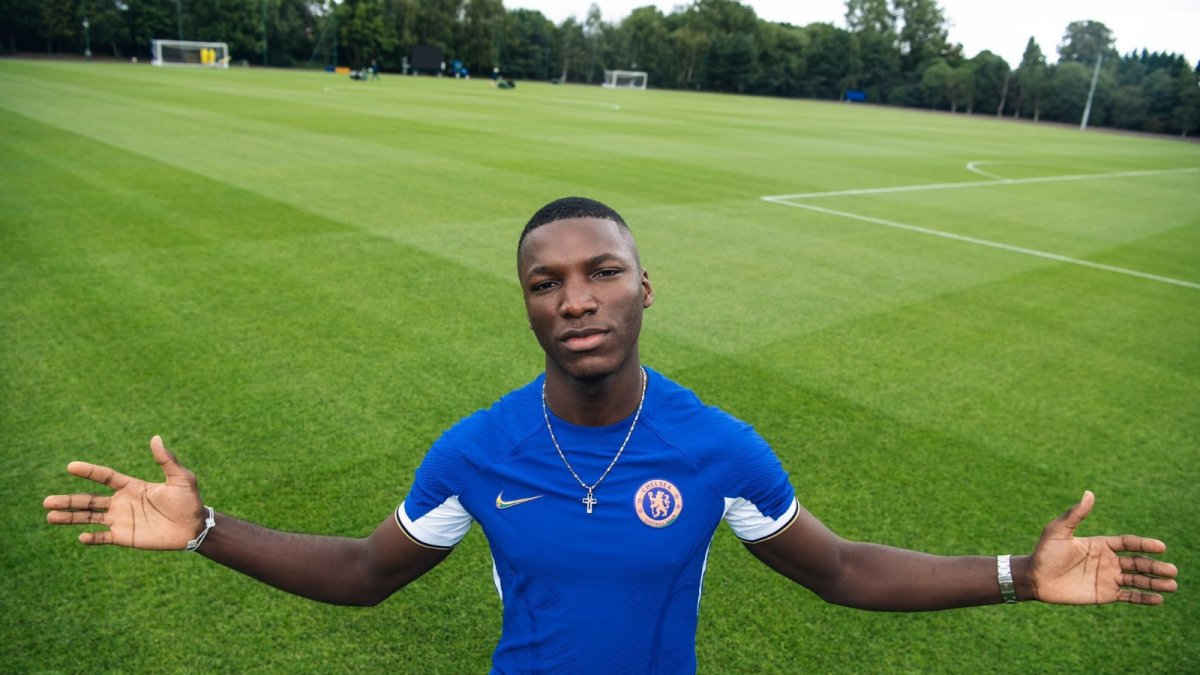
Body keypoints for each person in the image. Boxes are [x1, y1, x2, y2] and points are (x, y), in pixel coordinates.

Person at [44, 197, 1178, 673]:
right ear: (527, 305)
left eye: (602, 273)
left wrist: (1019, 576)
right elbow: (361, 573)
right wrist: (206, 532)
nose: (574, 298)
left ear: (646, 290)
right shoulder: (477, 450)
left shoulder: (719, 449)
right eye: (546, 282)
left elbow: (838, 570)